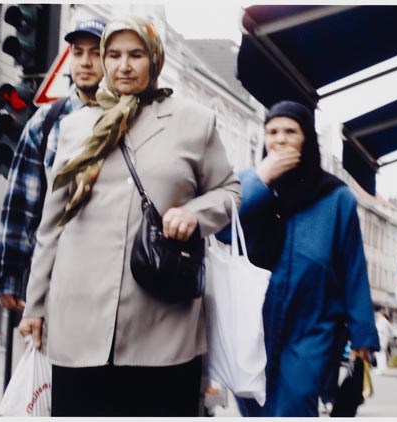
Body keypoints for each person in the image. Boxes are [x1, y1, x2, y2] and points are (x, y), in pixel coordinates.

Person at [19, 16, 241, 417]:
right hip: (78, 321)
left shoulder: (193, 122)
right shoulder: (75, 127)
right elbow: (51, 225)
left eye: (136, 54)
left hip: (162, 322)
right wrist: (34, 306)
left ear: (154, 60)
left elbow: (230, 191)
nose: (124, 66)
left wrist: (194, 213)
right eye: (115, 55)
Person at [223, 100, 380, 417]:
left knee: (294, 407)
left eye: (290, 131)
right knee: (255, 409)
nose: (279, 139)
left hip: (312, 328)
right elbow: (222, 228)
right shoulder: (248, 187)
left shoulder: (337, 198)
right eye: (272, 131)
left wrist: (363, 336)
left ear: (306, 137)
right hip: (254, 327)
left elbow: (353, 270)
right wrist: (259, 180)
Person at [0, 19, 106, 312]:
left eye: (95, 53)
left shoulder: (126, 119)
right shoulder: (46, 122)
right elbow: (20, 203)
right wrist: (9, 276)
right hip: (57, 273)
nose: (85, 62)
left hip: (110, 272)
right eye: (78, 52)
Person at [374, 308, 393, 374]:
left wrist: (377, 339)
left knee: (379, 354)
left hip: (381, 340)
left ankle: (380, 369)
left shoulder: (381, 321)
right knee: (382, 354)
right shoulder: (386, 321)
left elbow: (380, 331)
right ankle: (383, 368)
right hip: (384, 340)